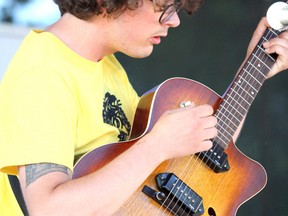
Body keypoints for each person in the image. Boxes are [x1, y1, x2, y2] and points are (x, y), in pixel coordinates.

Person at [0, 0, 288, 215]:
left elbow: (194, 162)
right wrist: (158, 144)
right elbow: (48, 209)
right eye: (164, 5)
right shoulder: (43, 70)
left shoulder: (108, 69)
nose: (174, 20)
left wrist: (253, 70)